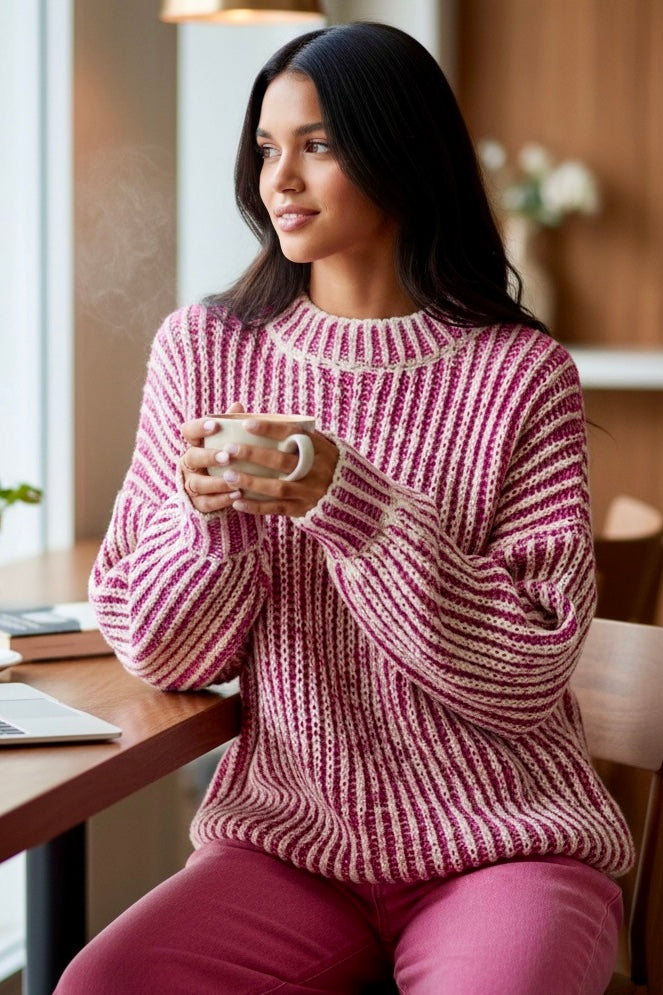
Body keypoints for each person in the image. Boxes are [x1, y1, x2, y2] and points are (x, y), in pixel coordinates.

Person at [55, 21, 633, 995]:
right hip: (291, 850)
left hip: (503, 845)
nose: (278, 178)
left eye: (317, 145)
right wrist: (216, 520)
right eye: (268, 148)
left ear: (401, 152)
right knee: (98, 984)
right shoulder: (205, 348)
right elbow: (165, 655)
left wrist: (348, 500)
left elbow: (530, 666)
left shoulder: (522, 375)